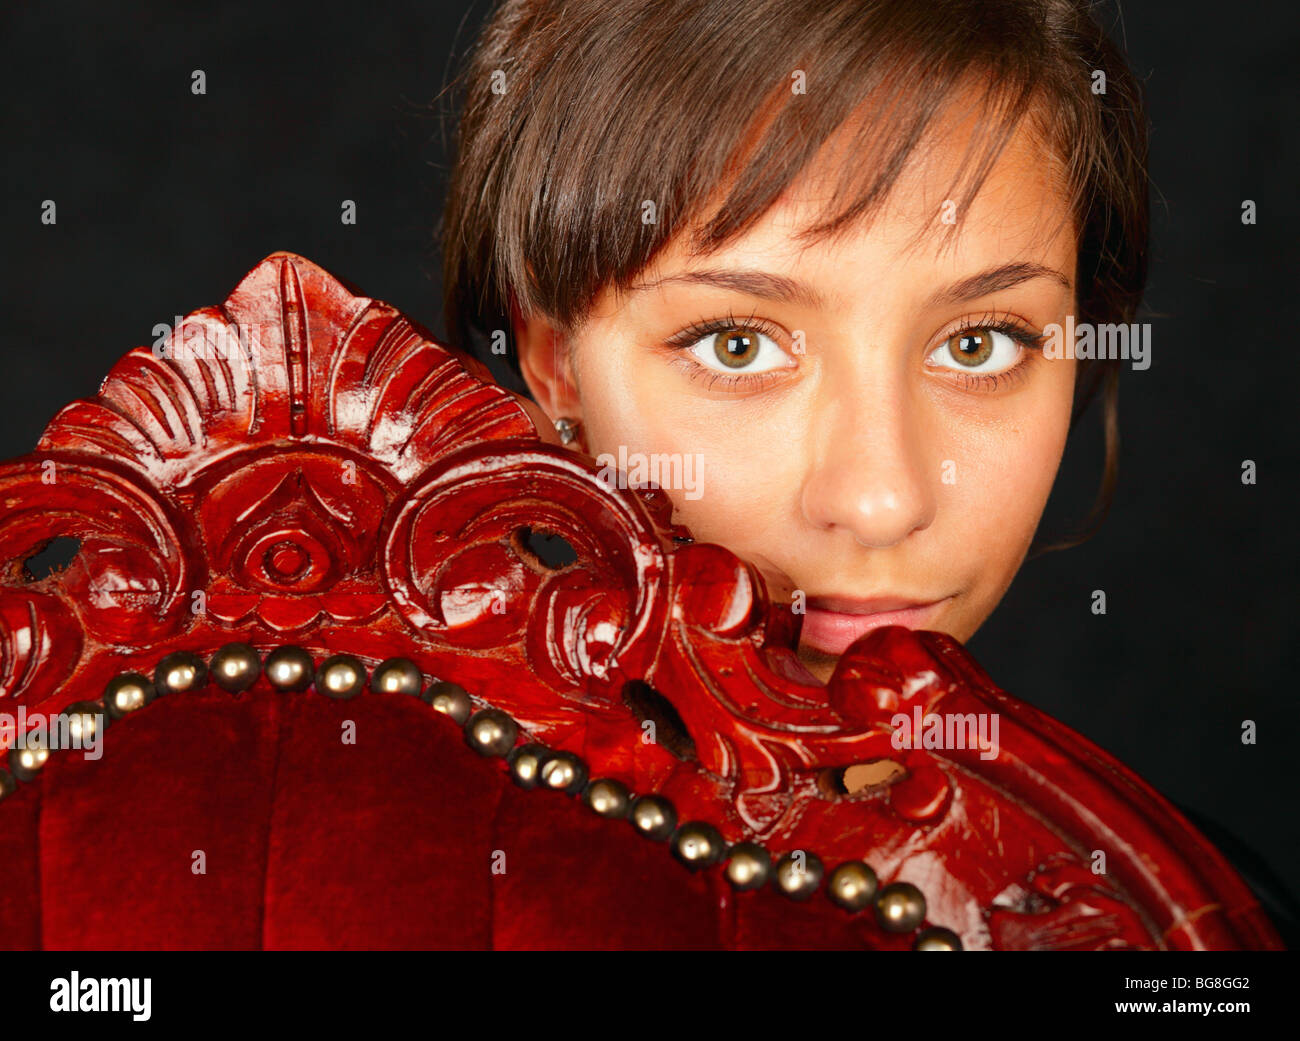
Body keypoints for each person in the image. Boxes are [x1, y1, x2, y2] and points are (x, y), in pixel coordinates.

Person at [438, 0, 1293, 943]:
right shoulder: (360, 865)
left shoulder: (1185, 921)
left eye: (977, 343)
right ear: (554, 361)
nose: (883, 500)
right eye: (737, 345)